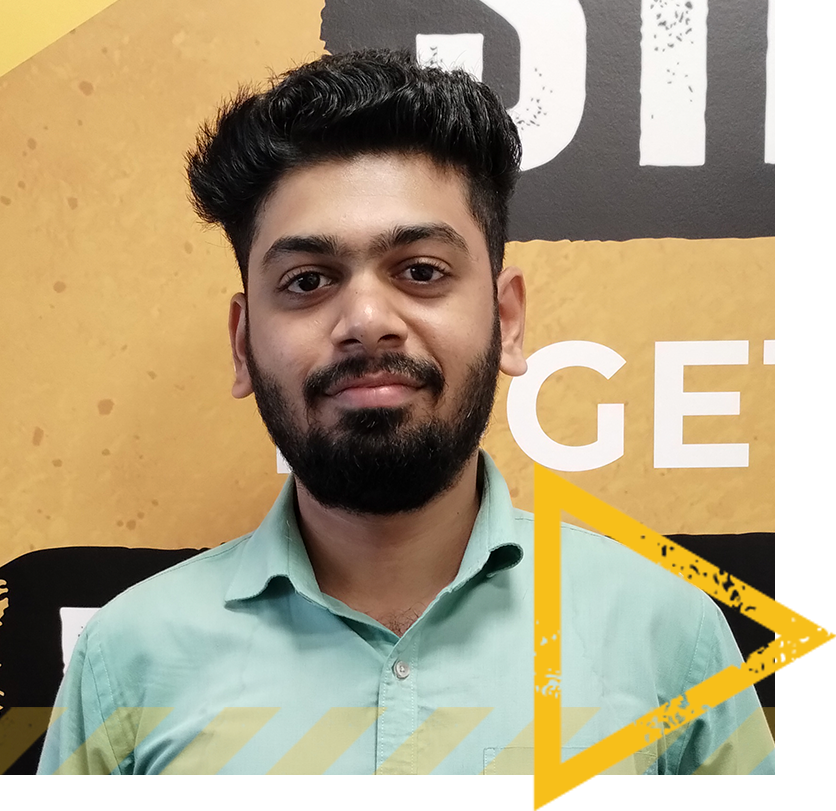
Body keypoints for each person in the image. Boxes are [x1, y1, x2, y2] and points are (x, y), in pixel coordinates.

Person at [37, 49, 774, 777]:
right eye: (307, 281)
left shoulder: (667, 637)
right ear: (242, 342)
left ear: (507, 319)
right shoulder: (127, 660)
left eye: (421, 271)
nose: (366, 320)